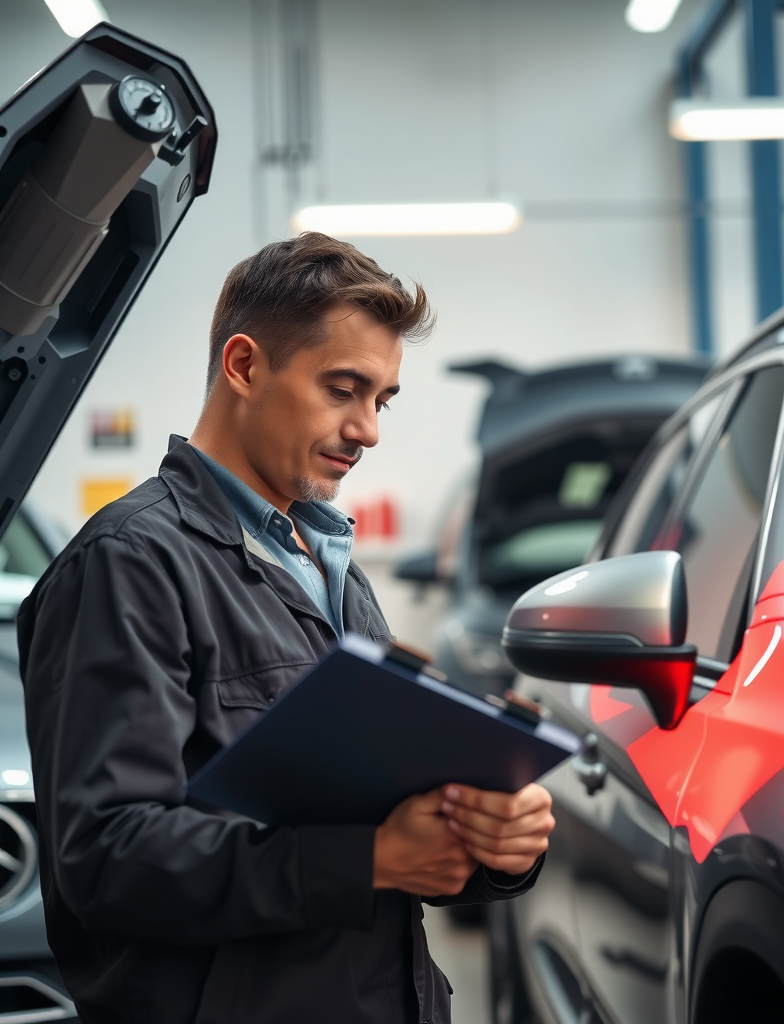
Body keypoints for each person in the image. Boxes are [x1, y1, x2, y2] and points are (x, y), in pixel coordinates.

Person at [18, 232, 555, 1024]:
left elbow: (387, 820)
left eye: (381, 400)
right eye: (343, 389)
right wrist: (367, 860)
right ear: (243, 366)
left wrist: (491, 844)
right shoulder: (128, 565)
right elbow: (106, 859)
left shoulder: (333, 571)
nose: (368, 429)